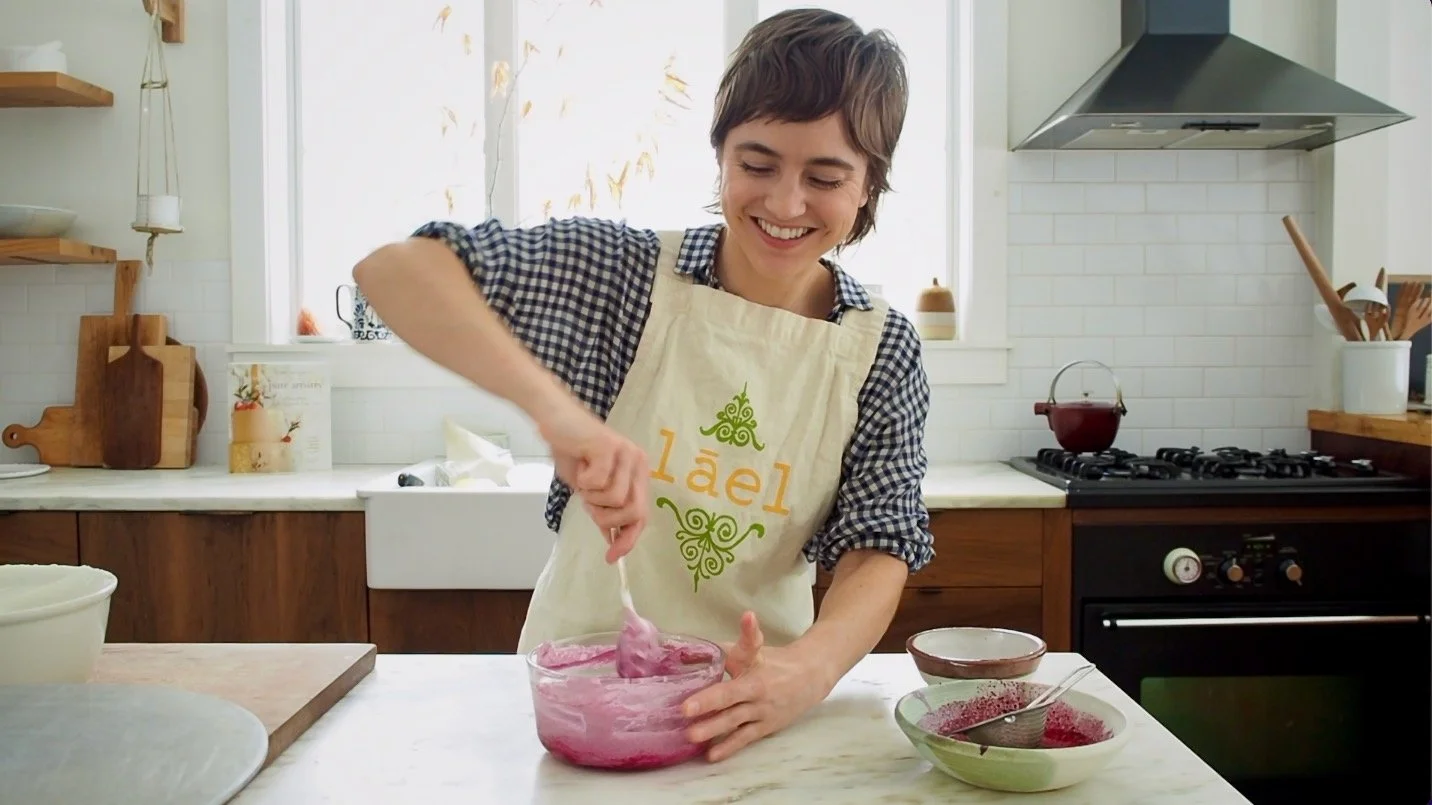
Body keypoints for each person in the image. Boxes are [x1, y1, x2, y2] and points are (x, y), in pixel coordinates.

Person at [353, 7, 934, 763]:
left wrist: (809, 671)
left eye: (824, 177)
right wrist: (559, 416)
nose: (785, 204)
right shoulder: (625, 277)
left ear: (868, 188)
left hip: (754, 715)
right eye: (757, 164)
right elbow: (393, 272)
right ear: (720, 153)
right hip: (584, 708)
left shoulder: (881, 348)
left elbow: (878, 545)